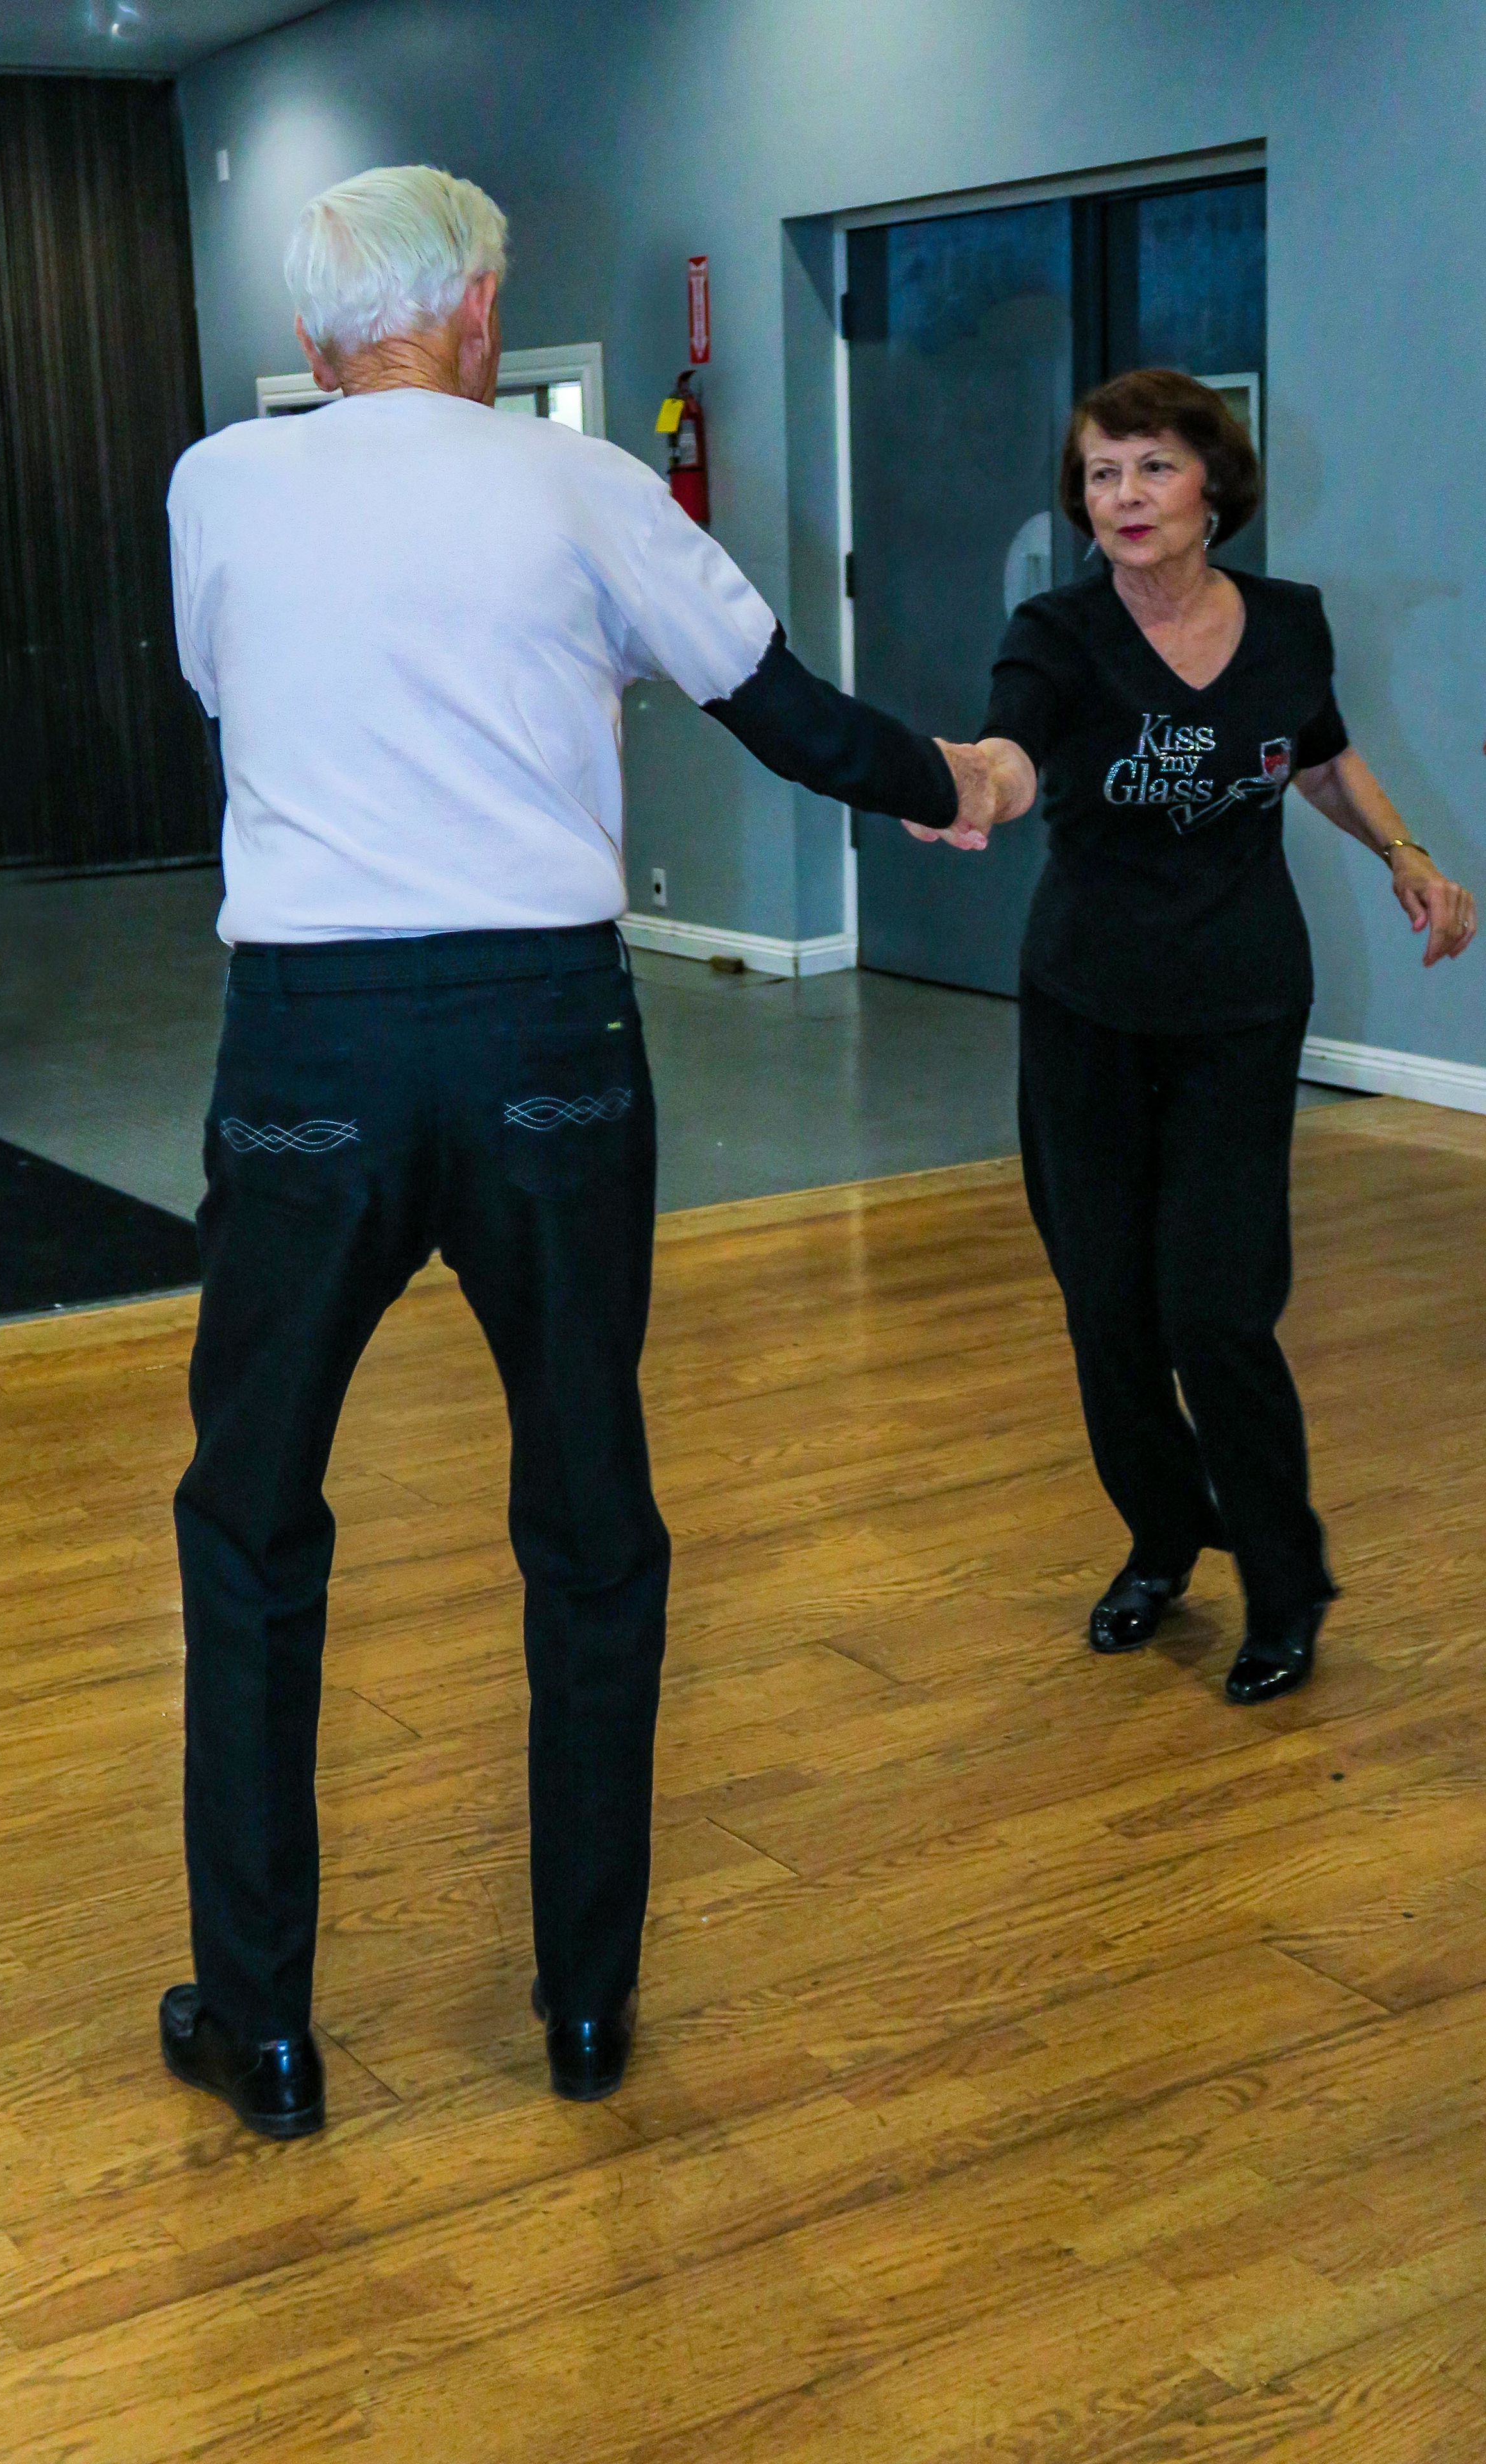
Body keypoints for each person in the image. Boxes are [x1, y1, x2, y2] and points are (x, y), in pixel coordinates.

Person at [161, 164, 982, 2138]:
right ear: (475, 315)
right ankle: (587, 2012)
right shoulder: (588, 483)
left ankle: (265, 2032)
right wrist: (952, 780)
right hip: (546, 1040)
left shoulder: (218, 485)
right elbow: (781, 709)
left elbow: (225, 688)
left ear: (314, 334)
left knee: (252, 1524)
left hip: (310, 1048)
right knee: (590, 1516)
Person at [909, 367, 1476, 1708]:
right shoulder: (1055, 632)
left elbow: (1318, 754)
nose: (1124, 495)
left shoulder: (1286, 624)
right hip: (1087, 1012)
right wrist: (970, 783)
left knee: (1215, 1312)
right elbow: (1011, 752)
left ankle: (1284, 1584)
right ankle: (1164, 1538)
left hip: (1238, 1008)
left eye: (1153, 466)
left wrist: (1402, 851)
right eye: (1101, 473)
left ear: (1213, 486)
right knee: (1108, 1312)